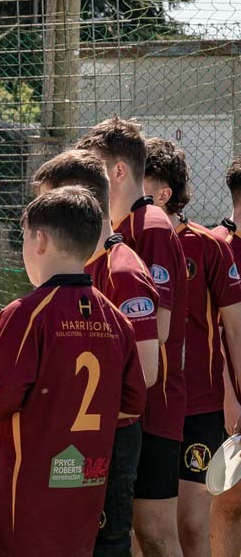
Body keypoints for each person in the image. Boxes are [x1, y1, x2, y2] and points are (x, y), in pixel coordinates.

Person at [0, 186, 146, 557]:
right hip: (83, 493)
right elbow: (132, 404)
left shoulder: (25, 315)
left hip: (26, 504)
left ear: (40, 240)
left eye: (23, 238)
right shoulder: (117, 320)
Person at [32, 149, 159, 557]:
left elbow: (147, 370)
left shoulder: (122, 271)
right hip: (70, 437)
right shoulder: (75, 268)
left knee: (106, 545)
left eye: (48, 206)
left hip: (108, 441)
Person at [76, 117, 188, 557]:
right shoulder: (119, 228)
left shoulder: (151, 224)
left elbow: (159, 326)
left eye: (94, 168)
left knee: (157, 534)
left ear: (118, 171)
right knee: (136, 535)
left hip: (155, 403)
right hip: (126, 407)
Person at [144, 138, 241, 557]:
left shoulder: (208, 246)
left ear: (163, 193)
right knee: (144, 527)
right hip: (144, 406)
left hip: (198, 407)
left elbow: (233, 330)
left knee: (193, 523)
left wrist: (237, 395)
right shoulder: (123, 245)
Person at [211, 156, 241, 557]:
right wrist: (229, 397)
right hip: (229, 399)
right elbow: (215, 335)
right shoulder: (218, 247)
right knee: (229, 498)